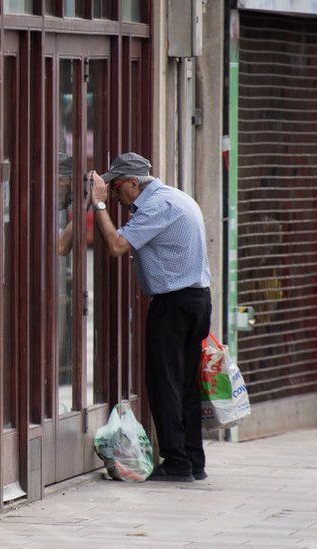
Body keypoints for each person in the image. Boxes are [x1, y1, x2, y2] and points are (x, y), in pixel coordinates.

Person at [88, 152, 212, 483]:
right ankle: (192, 460)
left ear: (133, 183)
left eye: (115, 188)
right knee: (184, 383)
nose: (113, 195)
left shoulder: (158, 206)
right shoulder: (175, 197)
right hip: (195, 299)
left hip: (175, 303)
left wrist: (98, 207)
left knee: (165, 384)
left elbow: (116, 245)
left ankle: (176, 462)